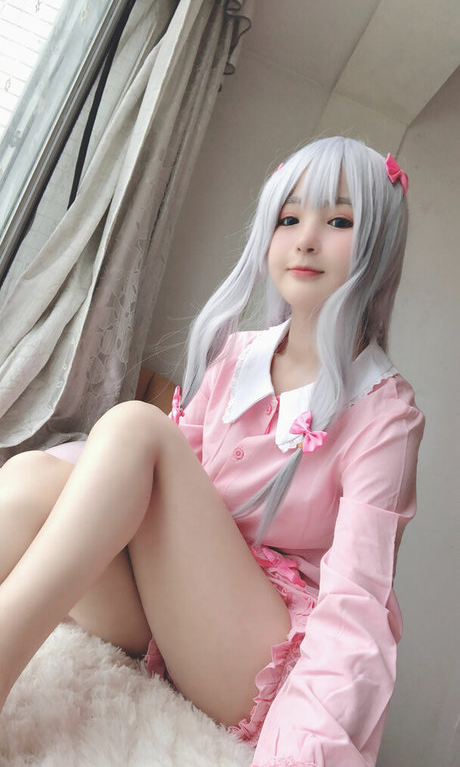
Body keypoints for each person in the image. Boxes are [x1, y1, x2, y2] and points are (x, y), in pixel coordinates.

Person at [0, 136, 424, 766]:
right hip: (174, 620)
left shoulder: (385, 413)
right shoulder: (237, 356)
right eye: (289, 218)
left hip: (251, 661)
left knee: (137, 427)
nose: (306, 239)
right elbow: (155, 497)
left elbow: (359, 605)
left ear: (380, 243)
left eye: (339, 221)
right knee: (32, 474)